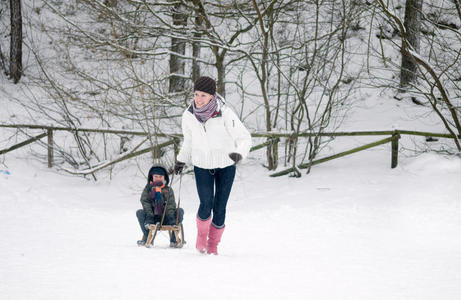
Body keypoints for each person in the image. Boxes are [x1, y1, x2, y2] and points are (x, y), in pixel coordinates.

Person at [173, 76, 252, 255]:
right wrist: (181, 159)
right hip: (202, 165)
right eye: (196, 94)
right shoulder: (188, 116)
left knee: (220, 207)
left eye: (203, 95)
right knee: (205, 204)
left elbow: (244, 137)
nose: (198, 99)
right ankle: (202, 236)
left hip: (226, 166)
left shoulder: (225, 113)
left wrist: (239, 153)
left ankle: (213, 245)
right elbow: (189, 141)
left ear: (212, 96)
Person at [136, 164, 184, 247]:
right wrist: (150, 216)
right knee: (139, 212)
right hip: (151, 218)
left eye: (161, 176)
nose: (158, 178)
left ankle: (174, 240)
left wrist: (171, 218)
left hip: (167, 218)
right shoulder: (148, 189)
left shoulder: (168, 190)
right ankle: (147, 237)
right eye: (156, 176)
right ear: (152, 177)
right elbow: (145, 202)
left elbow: (171, 205)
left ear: (165, 177)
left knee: (180, 211)